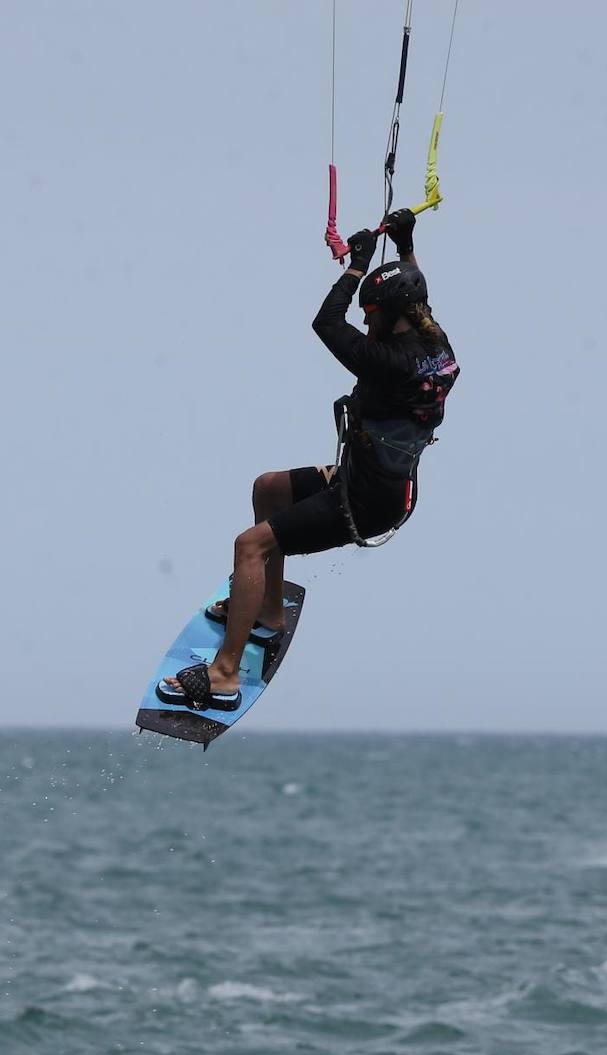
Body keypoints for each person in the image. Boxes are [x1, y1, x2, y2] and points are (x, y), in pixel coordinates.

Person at [157, 209, 459, 710]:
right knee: (268, 488)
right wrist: (405, 247)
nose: (367, 322)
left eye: (372, 314)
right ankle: (268, 612)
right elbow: (414, 292)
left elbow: (327, 323)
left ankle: (224, 676)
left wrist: (356, 267)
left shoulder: (388, 362)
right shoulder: (436, 344)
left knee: (249, 545)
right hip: (368, 476)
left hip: (367, 501)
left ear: (392, 314)